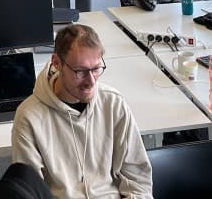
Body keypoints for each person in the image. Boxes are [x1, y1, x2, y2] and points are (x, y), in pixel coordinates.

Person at [12, 24, 151, 198]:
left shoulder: (113, 104)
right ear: (57, 63)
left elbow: (138, 180)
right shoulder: (29, 117)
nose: (91, 81)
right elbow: (29, 192)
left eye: (96, 69)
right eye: (80, 71)